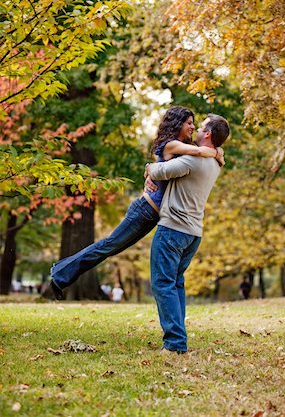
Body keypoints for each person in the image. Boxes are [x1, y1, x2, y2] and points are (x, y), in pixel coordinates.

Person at [50, 106, 224, 300]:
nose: (192, 127)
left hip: (153, 215)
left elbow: (189, 157)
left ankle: (60, 270)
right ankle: (60, 275)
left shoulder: (185, 147)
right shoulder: (171, 145)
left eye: (194, 123)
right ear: (177, 124)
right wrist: (216, 153)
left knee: (112, 247)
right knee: (109, 245)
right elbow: (201, 152)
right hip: (144, 210)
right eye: (189, 123)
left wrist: (149, 169)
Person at [146, 113, 230, 354]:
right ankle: (177, 337)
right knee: (176, 284)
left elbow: (158, 172)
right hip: (193, 233)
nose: (196, 129)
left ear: (208, 134)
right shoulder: (215, 162)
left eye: (201, 127)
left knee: (163, 284)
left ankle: (174, 343)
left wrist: (149, 167)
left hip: (173, 229)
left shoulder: (192, 161)